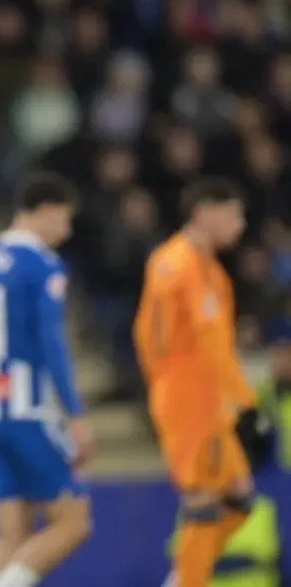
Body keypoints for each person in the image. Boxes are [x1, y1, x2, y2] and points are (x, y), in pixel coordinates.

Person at [0, 172, 93, 587]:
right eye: (65, 218)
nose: (66, 231)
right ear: (46, 210)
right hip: (25, 410)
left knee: (13, 539)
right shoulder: (41, 265)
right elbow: (52, 342)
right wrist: (75, 413)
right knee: (74, 523)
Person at [133, 177, 257, 587]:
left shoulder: (196, 265)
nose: (240, 225)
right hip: (191, 400)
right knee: (203, 504)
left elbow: (145, 334)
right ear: (205, 213)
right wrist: (245, 400)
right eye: (234, 215)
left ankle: (185, 576)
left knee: (239, 499)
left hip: (201, 398)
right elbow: (210, 341)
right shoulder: (183, 265)